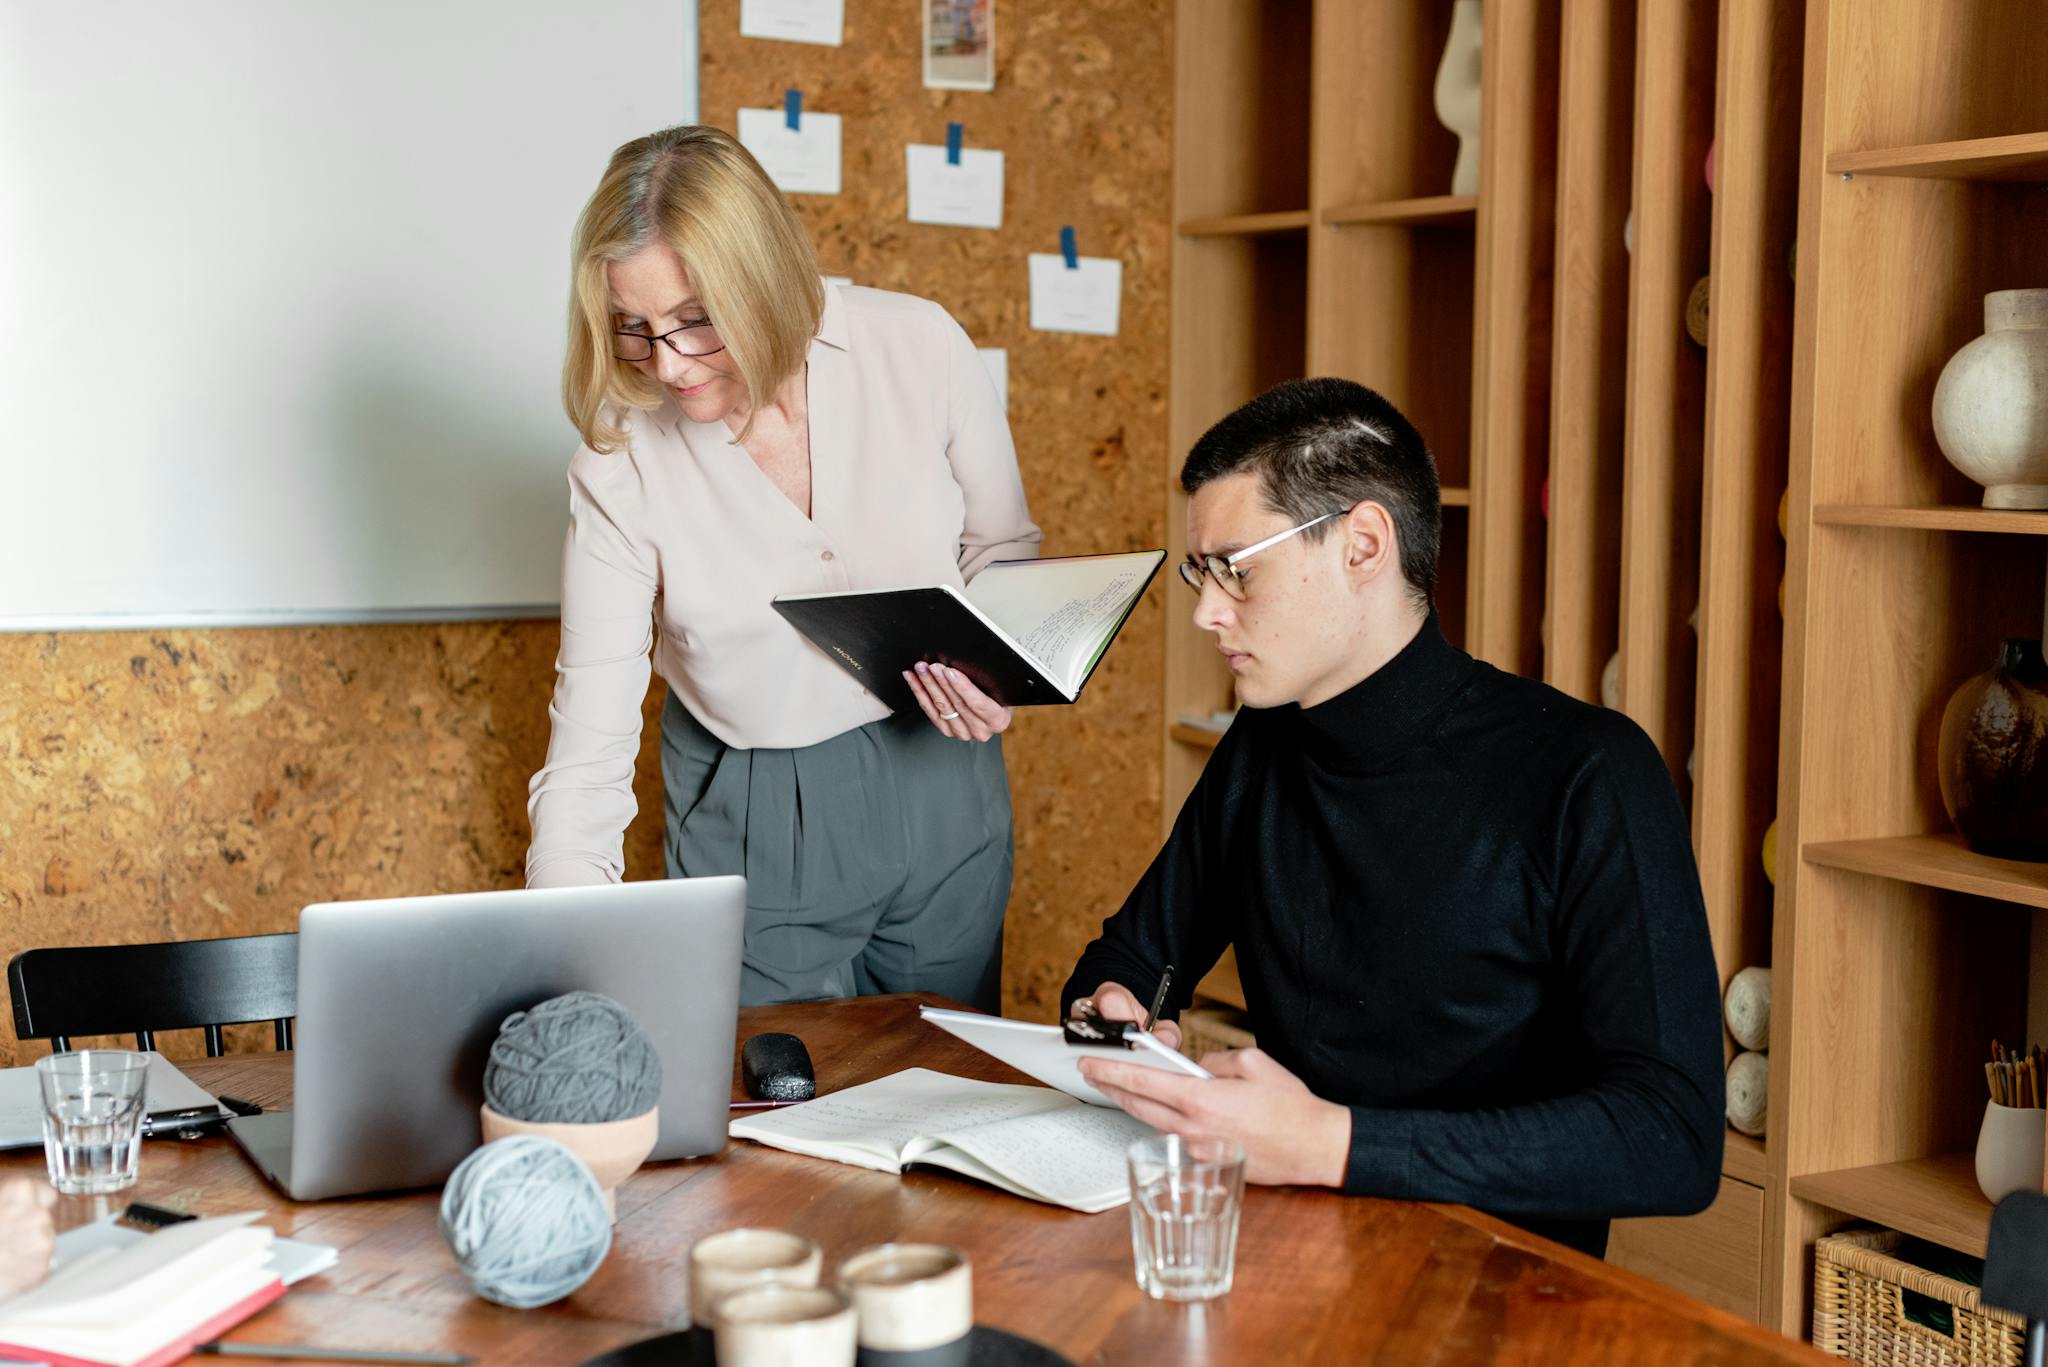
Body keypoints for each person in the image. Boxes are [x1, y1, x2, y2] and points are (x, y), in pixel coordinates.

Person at [1063, 377, 1723, 1257]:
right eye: (1201, 571)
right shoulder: (1263, 745)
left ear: (1363, 545)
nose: (1206, 611)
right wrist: (1114, 1008)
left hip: (1494, 1290)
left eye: (1237, 570)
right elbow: (1138, 953)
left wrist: (1334, 1143)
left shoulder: (1588, 770)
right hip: (1292, 1253)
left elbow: (1671, 1135)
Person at [526, 126, 1038, 1010]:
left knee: (949, 1082)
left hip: (946, 774)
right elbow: (589, 752)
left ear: (762, 276)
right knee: (769, 1109)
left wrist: (1001, 667)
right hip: (758, 799)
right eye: (635, 330)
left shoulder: (918, 347)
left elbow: (1002, 554)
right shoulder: (621, 457)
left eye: (695, 320)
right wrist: (564, 965)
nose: (670, 364)